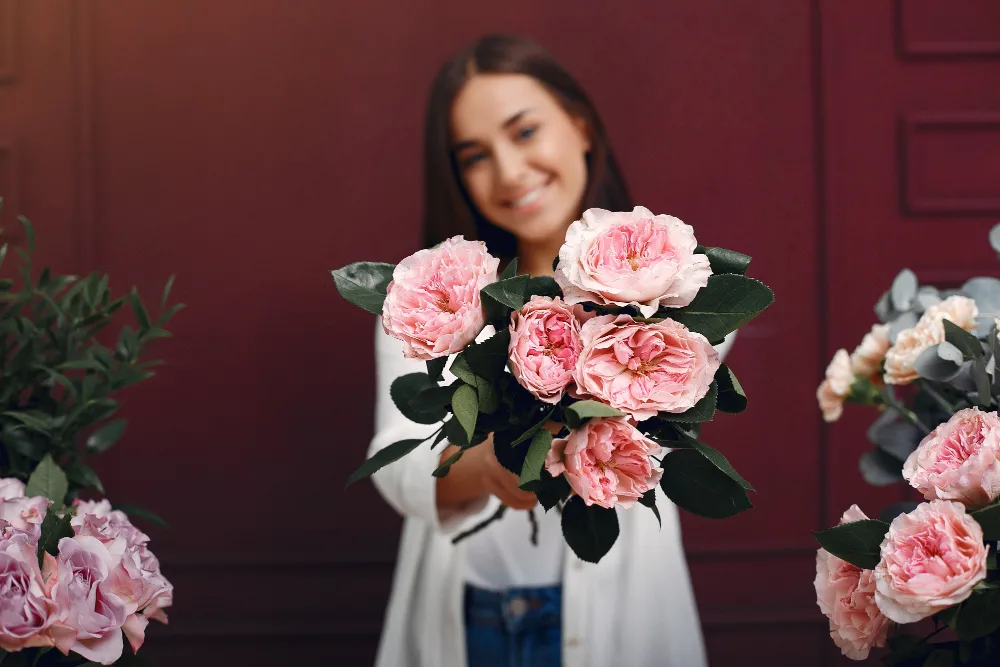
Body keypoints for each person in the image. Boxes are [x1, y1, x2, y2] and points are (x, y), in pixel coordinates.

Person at [367, 33, 735, 667]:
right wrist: (481, 466)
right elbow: (392, 463)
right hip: (470, 616)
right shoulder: (430, 305)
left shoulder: (672, 292)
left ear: (580, 125)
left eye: (525, 132)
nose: (509, 172)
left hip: (621, 616)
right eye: (475, 155)